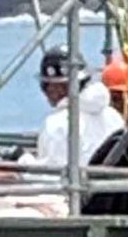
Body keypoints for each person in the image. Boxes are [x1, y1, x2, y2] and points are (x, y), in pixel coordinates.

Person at [26, 46, 122, 181]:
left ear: (58, 86)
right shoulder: (114, 117)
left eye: (45, 85)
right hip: (108, 196)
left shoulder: (57, 124)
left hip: (77, 198)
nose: (45, 92)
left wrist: (24, 162)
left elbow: (49, 178)